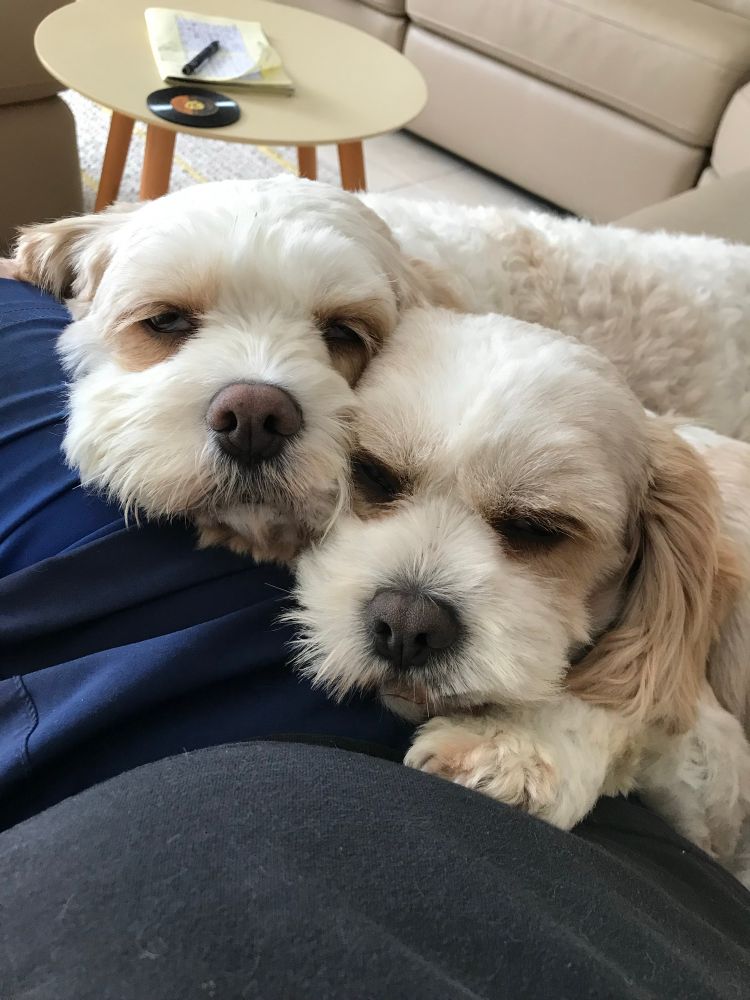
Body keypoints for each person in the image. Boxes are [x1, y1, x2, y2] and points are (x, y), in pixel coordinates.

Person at [1, 275, 749, 999]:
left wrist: (579, 736)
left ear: (637, 552)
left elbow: (711, 781)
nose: (410, 616)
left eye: (533, 530)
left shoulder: (670, 523)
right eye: (377, 483)